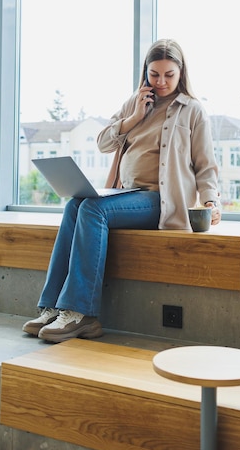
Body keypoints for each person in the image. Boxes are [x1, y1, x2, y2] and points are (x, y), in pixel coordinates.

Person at [22, 39, 221, 343]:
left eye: (169, 74)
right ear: (146, 72)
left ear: (181, 73)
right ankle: (52, 306)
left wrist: (210, 200)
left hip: (162, 201)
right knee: (75, 205)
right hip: (126, 195)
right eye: (155, 74)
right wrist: (134, 118)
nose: (162, 82)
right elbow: (103, 143)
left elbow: (205, 165)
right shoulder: (136, 102)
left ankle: (81, 314)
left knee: (92, 209)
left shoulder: (193, 110)